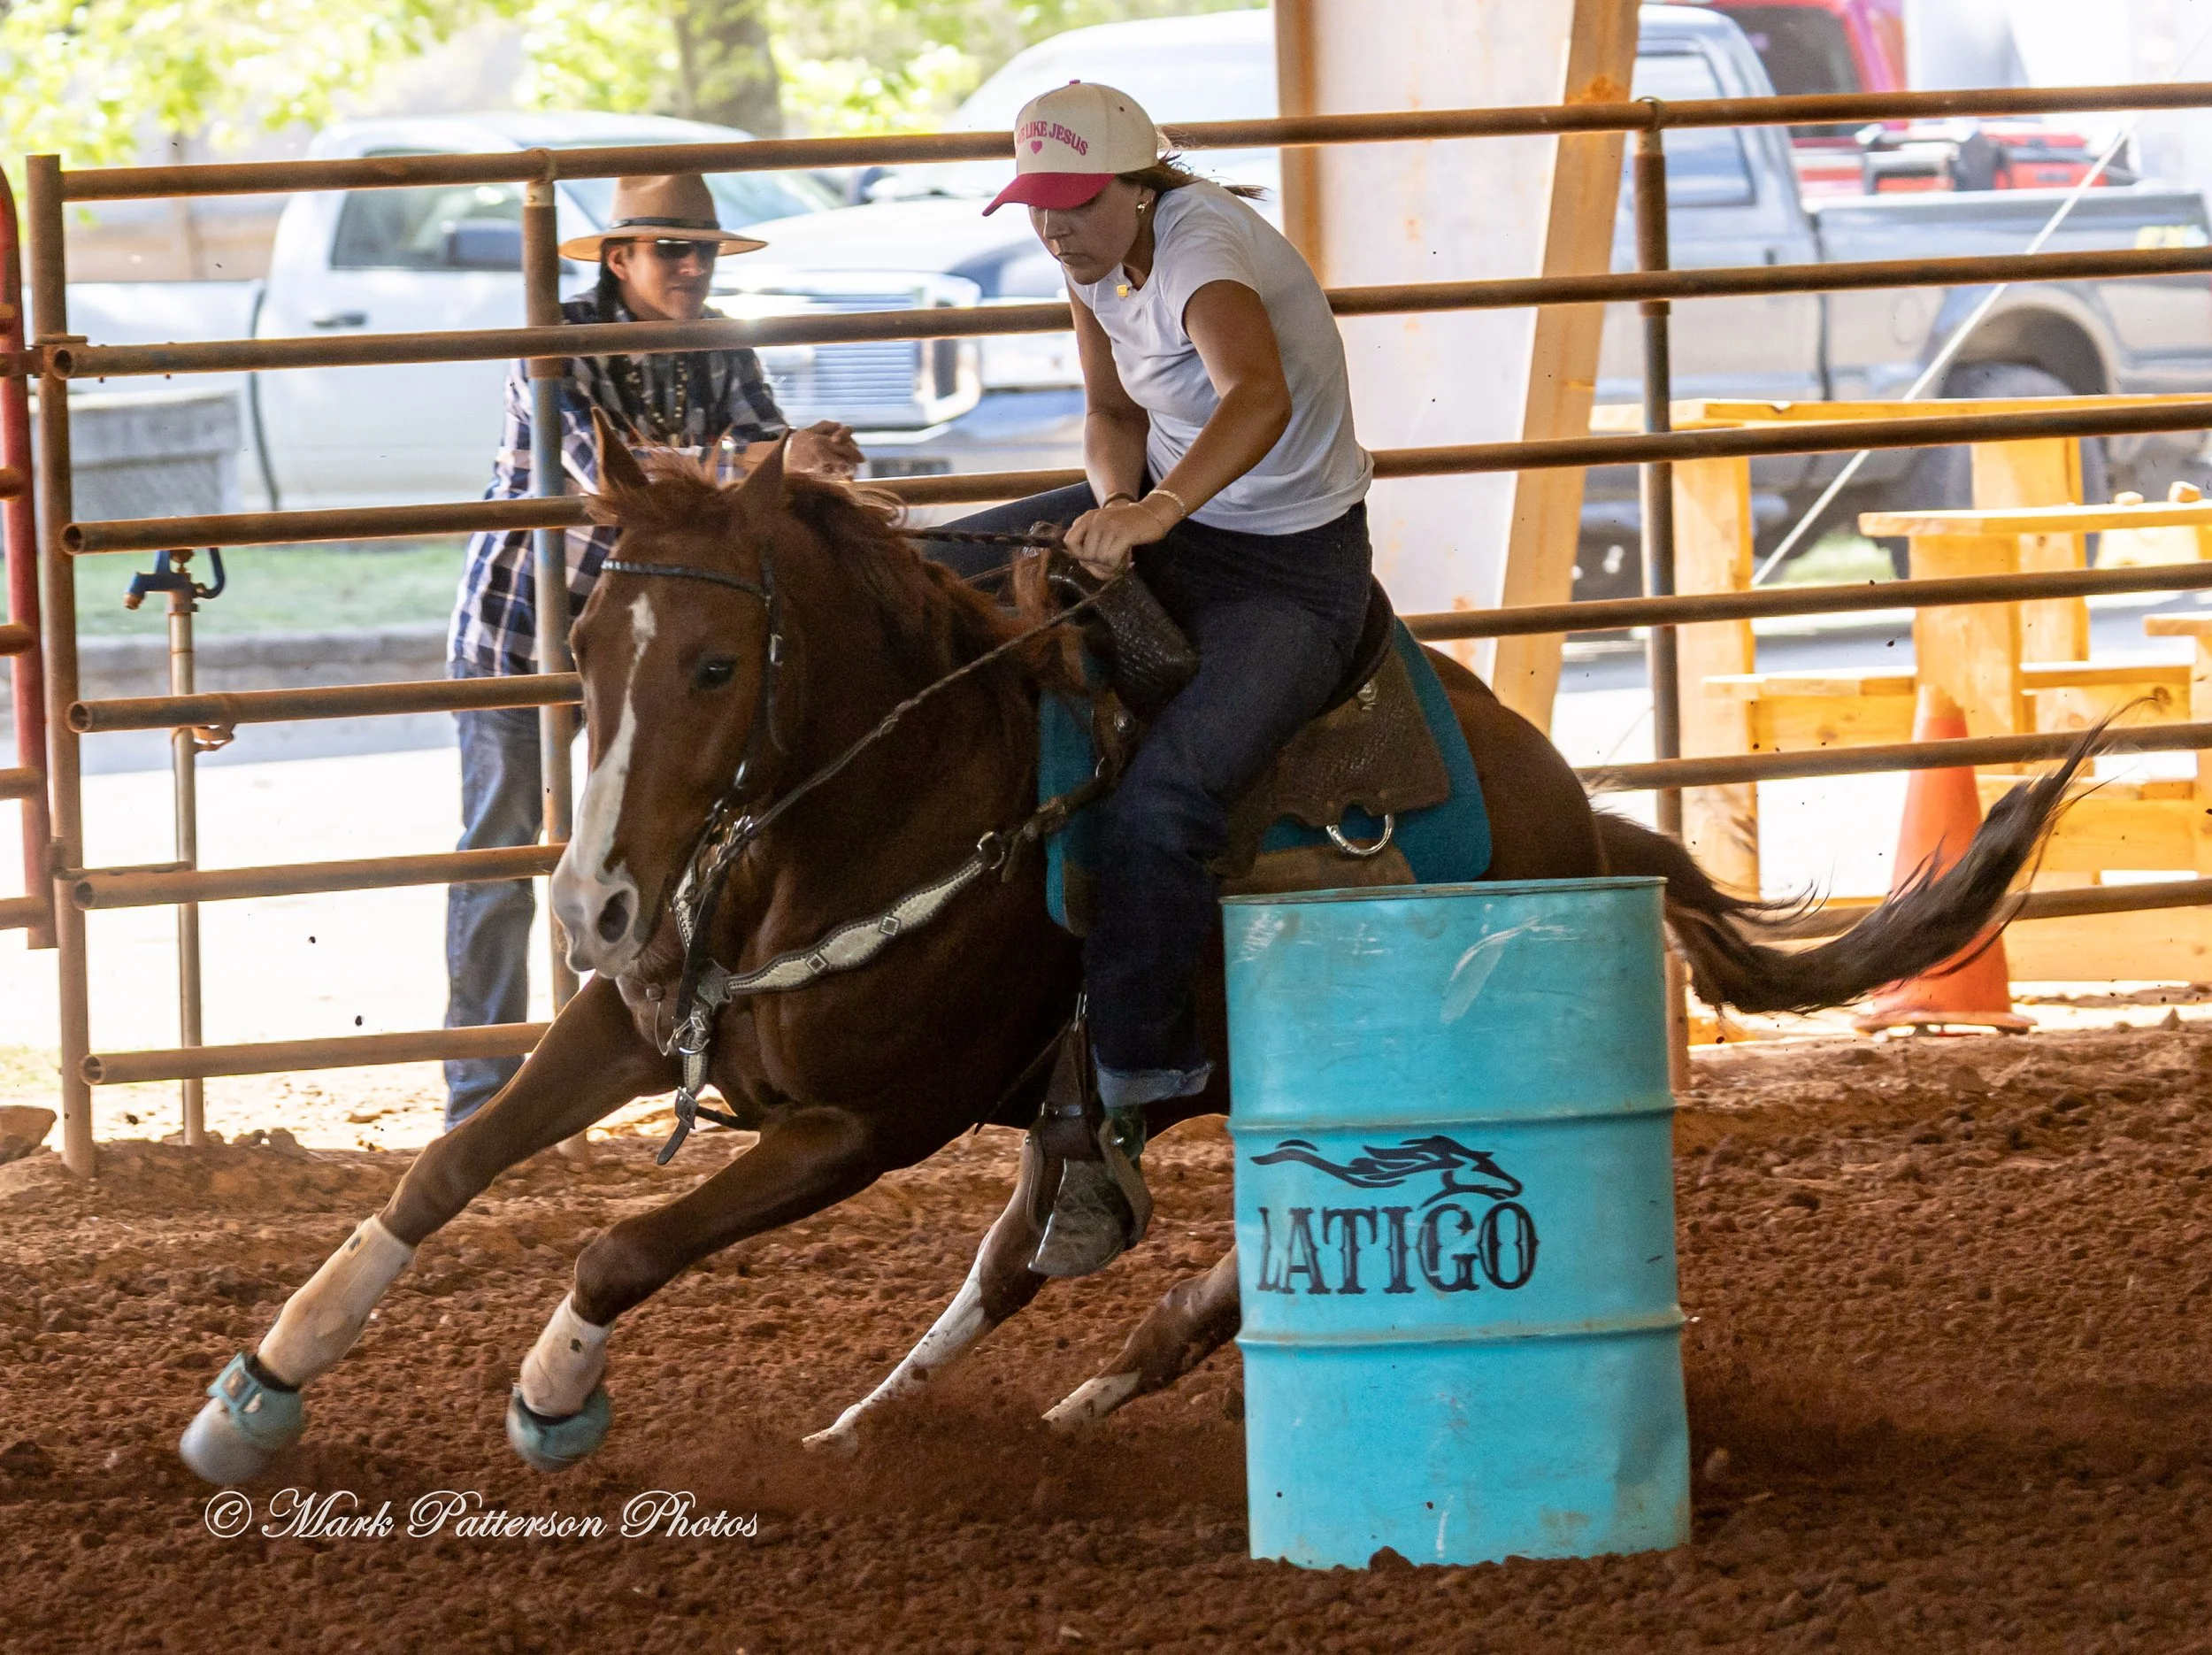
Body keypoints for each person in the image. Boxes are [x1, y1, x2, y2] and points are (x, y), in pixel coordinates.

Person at [928, 83, 1374, 1274]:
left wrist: (1158, 507)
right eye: (1039, 207)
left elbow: (1260, 395)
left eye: (1076, 203)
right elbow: (1108, 407)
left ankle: (1131, 1089)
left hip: (1290, 570)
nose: (1057, 228)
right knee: (924, 573)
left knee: (1168, 803)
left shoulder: (1203, 249)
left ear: (1138, 186)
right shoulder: (1094, 262)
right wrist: (1119, 498)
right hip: (1171, 518)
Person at [442, 173, 863, 1128]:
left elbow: (759, 476)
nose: (691, 266)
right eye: (669, 249)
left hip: (653, 654)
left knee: (633, 834)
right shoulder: (559, 344)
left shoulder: (717, 346)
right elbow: (618, 480)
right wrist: (778, 464)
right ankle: (477, 1089)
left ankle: (648, 1043)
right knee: (502, 848)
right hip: (526, 630)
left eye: (702, 250)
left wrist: (791, 470)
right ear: (619, 258)